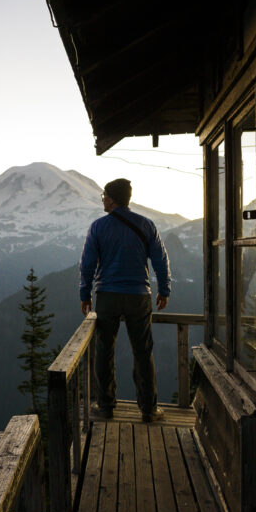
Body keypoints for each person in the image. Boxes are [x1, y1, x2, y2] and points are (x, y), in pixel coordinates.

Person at [79, 178, 171, 422]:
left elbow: (87, 264)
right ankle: (149, 410)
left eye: (104, 196)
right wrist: (164, 289)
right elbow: (160, 260)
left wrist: (84, 293)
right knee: (143, 352)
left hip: (107, 295)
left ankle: (106, 406)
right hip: (139, 296)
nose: (102, 199)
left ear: (111, 198)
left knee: (104, 350)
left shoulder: (98, 227)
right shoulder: (146, 224)